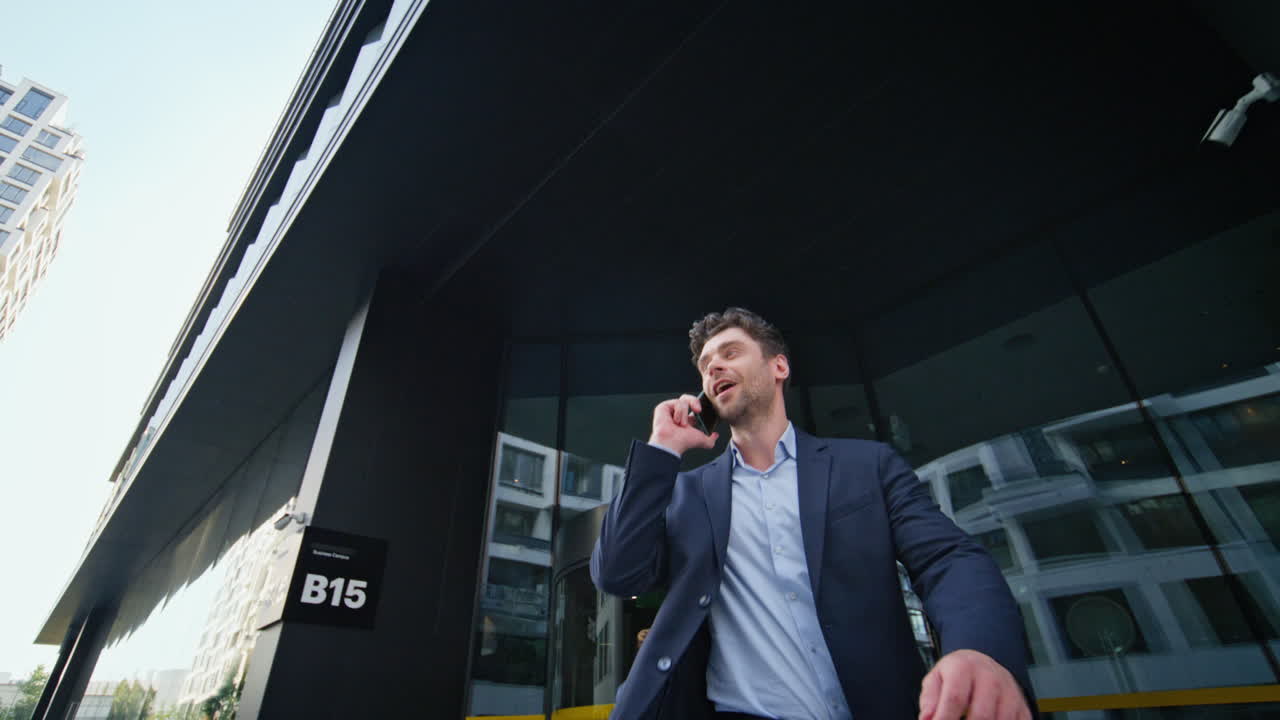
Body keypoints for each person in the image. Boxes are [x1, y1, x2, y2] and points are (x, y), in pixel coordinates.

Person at [591, 308, 1036, 720]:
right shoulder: (687, 495)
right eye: (706, 363)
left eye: (730, 353)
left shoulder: (867, 466)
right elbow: (617, 574)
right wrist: (662, 449)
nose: (713, 368)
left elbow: (948, 559)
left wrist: (980, 650)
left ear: (778, 367)